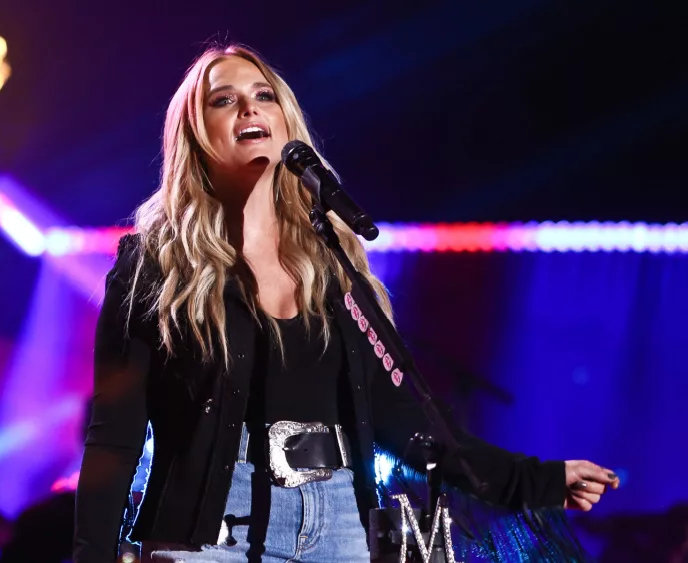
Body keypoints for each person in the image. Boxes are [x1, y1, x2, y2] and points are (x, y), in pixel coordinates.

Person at [73, 44, 620, 563]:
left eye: (264, 95)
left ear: (286, 121)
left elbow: (401, 416)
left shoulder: (330, 260)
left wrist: (536, 480)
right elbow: (114, 437)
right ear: (197, 134)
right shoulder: (156, 265)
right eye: (223, 100)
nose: (248, 107)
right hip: (212, 530)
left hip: (336, 523)